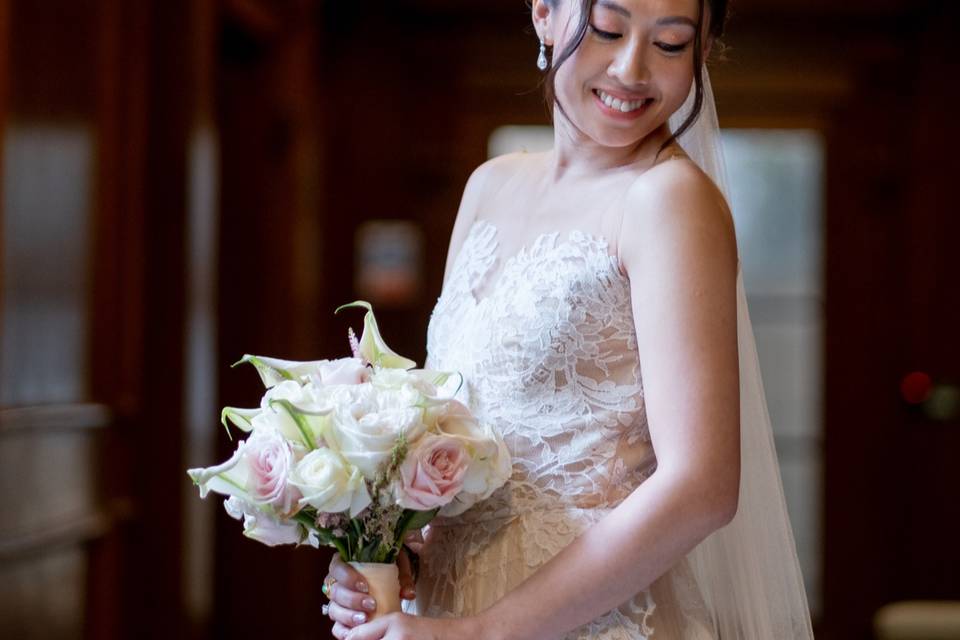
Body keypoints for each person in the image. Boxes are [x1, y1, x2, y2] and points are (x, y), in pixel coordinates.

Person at [322, 0, 815, 638]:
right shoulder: (489, 186)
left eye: (670, 44)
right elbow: (463, 435)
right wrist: (393, 550)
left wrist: (486, 632)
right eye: (607, 30)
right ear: (544, 15)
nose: (632, 69)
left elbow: (703, 486)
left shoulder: (669, 201)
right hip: (441, 617)